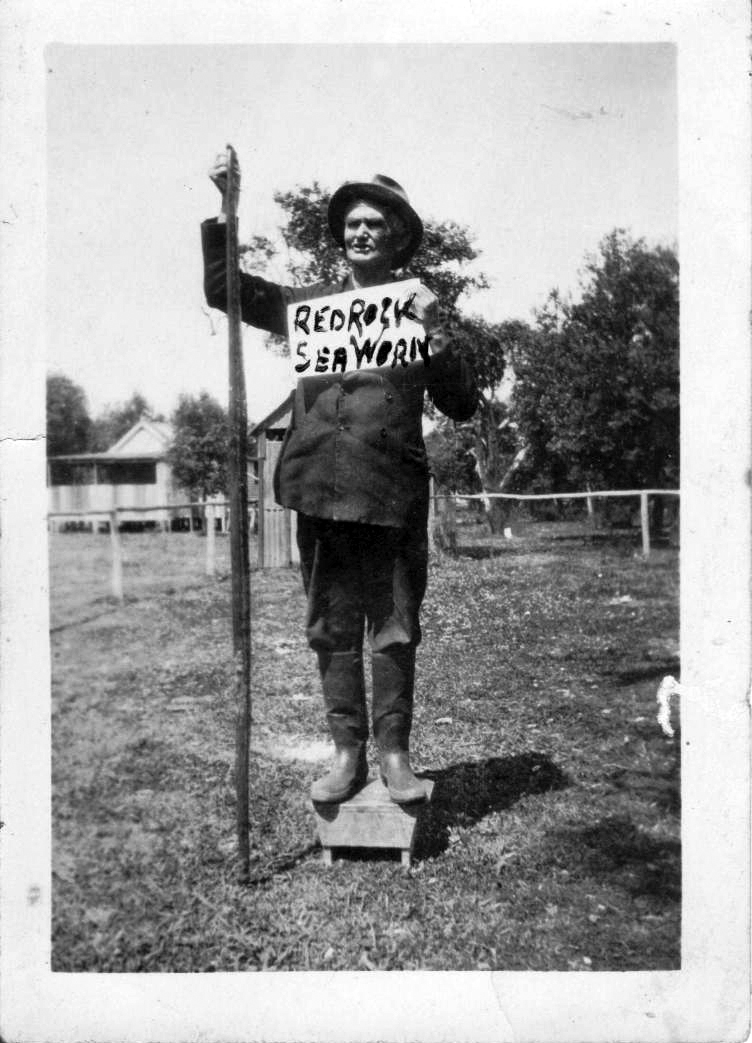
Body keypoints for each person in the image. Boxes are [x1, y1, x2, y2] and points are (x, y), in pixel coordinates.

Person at [202, 152, 477, 805]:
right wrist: (226, 207)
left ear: (397, 236)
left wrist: (439, 338)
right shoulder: (311, 307)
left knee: (393, 627)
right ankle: (347, 752)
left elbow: (462, 402)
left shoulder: (420, 309)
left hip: (392, 496)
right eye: (351, 223)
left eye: (374, 225)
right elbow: (224, 290)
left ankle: (396, 755)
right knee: (331, 626)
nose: (360, 233)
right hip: (320, 494)